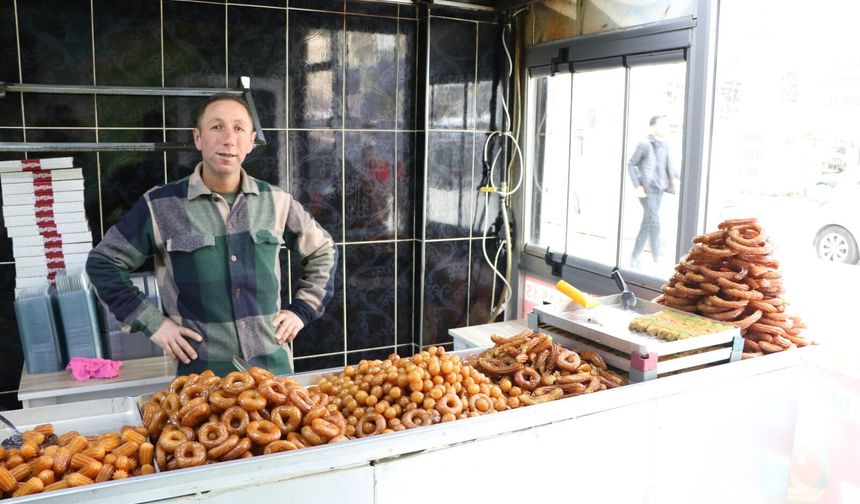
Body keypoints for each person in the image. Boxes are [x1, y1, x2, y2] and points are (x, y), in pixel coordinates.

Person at [87, 94, 337, 376]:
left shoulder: (276, 201)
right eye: (217, 127)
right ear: (198, 138)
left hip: (273, 376)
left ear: (251, 141)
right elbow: (103, 263)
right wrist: (154, 324)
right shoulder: (160, 206)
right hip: (201, 379)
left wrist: (302, 310)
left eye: (239, 129)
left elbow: (323, 250)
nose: (229, 139)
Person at [627, 115, 679, 268]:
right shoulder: (645, 144)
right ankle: (657, 259)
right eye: (661, 124)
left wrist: (680, 177)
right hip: (648, 190)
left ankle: (634, 257)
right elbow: (631, 164)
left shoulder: (665, 145)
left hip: (660, 189)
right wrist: (638, 186)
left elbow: (670, 166)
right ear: (653, 126)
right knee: (654, 222)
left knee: (647, 222)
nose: (664, 127)